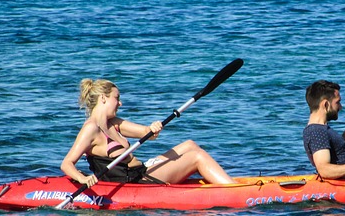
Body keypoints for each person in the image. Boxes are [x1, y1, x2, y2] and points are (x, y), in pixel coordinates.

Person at [61, 78, 236, 187]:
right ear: (103, 98)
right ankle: (233, 191)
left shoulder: (113, 123)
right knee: (197, 156)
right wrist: (83, 179)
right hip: (135, 182)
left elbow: (146, 133)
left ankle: (226, 182)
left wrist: (153, 128)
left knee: (190, 145)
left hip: (142, 170)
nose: (120, 103)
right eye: (117, 98)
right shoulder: (91, 128)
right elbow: (67, 163)